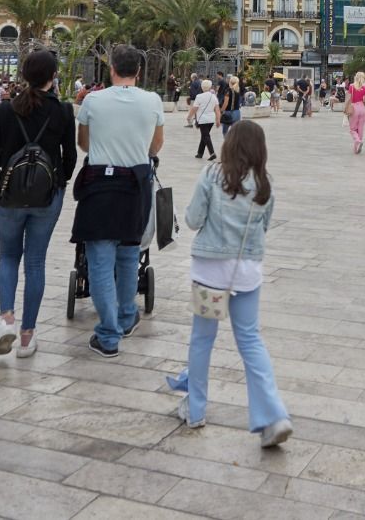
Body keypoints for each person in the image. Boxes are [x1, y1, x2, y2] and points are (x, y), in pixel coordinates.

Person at [164, 120, 292, 447]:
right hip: (246, 273)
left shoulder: (211, 176)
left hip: (210, 272)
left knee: (202, 340)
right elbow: (262, 229)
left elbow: (193, 219)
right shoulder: (265, 184)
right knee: (250, 340)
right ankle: (274, 416)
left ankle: (195, 409)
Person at [0, 51, 76, 357]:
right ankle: (27, 336)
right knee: (35, 262)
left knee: (7, 256)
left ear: (23, 75)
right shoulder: (62, 111)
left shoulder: (5, 111)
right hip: (46, 197)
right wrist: (59, 181)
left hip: (8, 195)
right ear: (53, 76)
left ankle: (6, 317)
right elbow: (70, 156)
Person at [72, 45, 162, 358]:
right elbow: (156, 144)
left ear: (111, 69)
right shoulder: (152, 101)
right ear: (138, 71)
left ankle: (108, 335)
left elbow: (83, 142)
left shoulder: (93, 100)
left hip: (99, 184)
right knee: (128, 254)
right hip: (135, 184)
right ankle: (126, 317)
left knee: (99, 260)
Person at [189, 78, 219, 160]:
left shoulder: (199, 96)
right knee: (204, 135)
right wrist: (218, 119)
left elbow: (194, 108)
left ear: (202, 87)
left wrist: (189, 117)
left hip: (202, 119)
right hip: (211, 120)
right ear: (210, 87)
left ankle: (212, 153)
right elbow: (217, 109)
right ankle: (200, 153)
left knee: (206, 136)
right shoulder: (214, 96)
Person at [344, 71, 365, 153]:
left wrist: (345, 108)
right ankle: (356, 149)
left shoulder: (351, 86)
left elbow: (348, 99)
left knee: (352, 129)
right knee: (360, 129)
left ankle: (358, 141)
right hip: (362, 108)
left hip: (354, 108)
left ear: (355, 77)